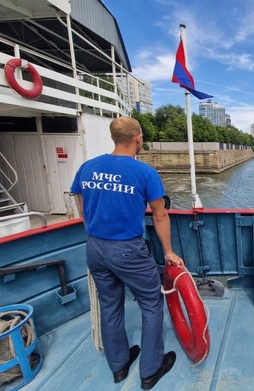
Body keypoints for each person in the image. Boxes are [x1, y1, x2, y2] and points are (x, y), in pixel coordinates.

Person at [70, 116, 182, 390]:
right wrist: (168, 251)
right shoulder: (144, 173)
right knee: (151, 303)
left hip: (95, 247)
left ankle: (118, 366)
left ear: (113, 137)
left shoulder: (87, 167)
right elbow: (159, 215)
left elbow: (80, 204)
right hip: (128, 250)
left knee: (110, 305)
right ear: (138, 138)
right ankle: (150, 369)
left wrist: (96, 229)